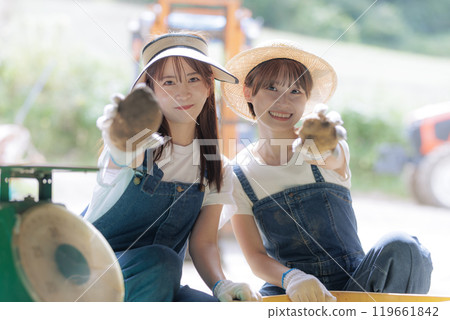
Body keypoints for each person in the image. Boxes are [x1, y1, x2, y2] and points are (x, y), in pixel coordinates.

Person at [220, 40, 433, 302]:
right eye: (271, 88)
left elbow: (330, 156)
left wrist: (324, 142)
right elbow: (255, 257)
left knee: (405, 248)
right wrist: (293, 278)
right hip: (290, 291)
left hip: (357, 286)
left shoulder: (324, 143)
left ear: (307, 99)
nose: (282, 101)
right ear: (248, 92)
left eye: (295, 91)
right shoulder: (238, 173)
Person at [82, 32, 261, 302]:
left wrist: (221, 285)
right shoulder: (136, 144)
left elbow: (204, 244)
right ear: (150, 92)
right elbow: (121, 153)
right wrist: (119, 135)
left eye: (193, 79)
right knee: (161, 260)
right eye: (168, 82)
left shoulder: (216, 168)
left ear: (208, 86)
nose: (182, 91)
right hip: (90, 281)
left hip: (158, 284)